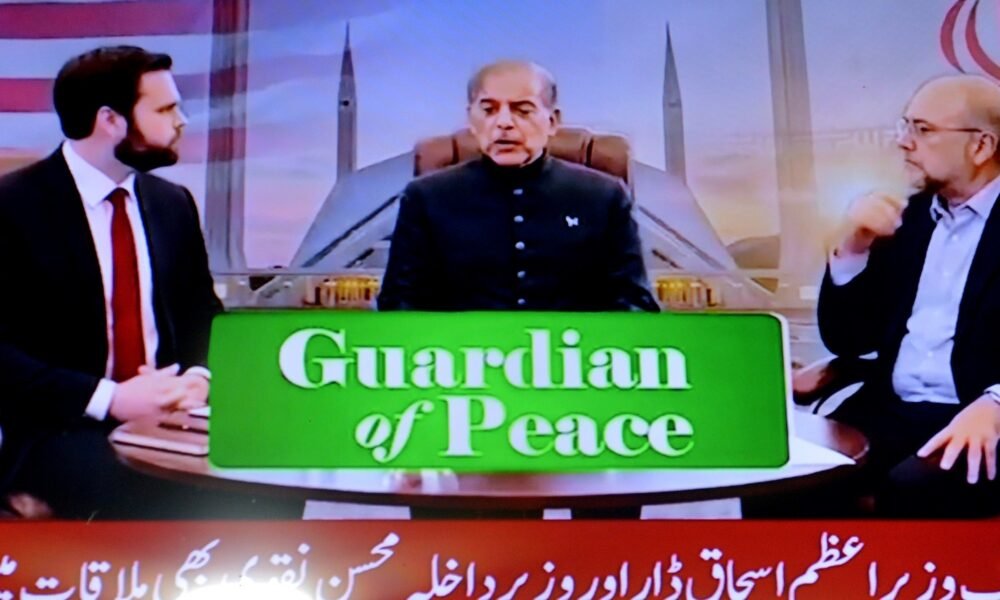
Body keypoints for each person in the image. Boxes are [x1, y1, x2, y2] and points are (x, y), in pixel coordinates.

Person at [0, 46, 296, 519]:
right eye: (165, 109)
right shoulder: (15, 206)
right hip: (63, 425)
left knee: (275, 472)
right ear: (110, 121)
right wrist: (112, 398)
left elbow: (204, 317)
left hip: (174, 417)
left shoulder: (171, 203)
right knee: (139, 486)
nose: (182, 121)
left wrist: (198, 378)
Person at [818, 74, 1000, 517]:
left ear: (981, 146)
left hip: (981, 413)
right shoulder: (910, 219)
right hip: (892, 410)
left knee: (913, 489)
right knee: (795, 477)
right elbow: (849, 339)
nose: (903, 142)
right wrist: (855, 247)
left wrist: (996, 404)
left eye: (923, 129)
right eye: (905, 126)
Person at [377, 59, 659, 313]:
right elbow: (399, 304)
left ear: (552, 121)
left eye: (522, 111)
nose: (503, 123)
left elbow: (635, 304)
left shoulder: (604, 197)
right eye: (488, 110)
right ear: (471, 120)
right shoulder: (426, 197)